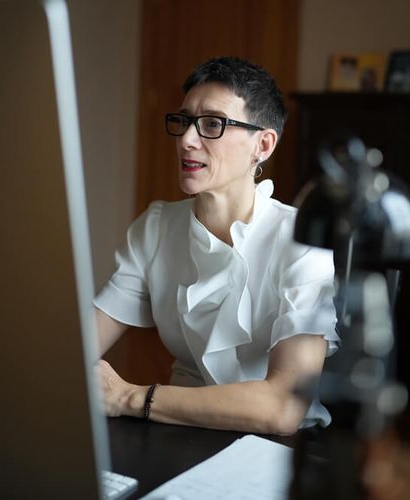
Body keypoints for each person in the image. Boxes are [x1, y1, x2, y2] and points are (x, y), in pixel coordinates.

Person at [94, 56, 339, 436]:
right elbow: (80, 346)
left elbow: (284, 407)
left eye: (212, 124)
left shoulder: (303, 241)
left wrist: (129, 397)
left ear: (263, 144)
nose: (187, 140)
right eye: (184, 121)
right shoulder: (156, 227)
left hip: (279, 445)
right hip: (176, 426)